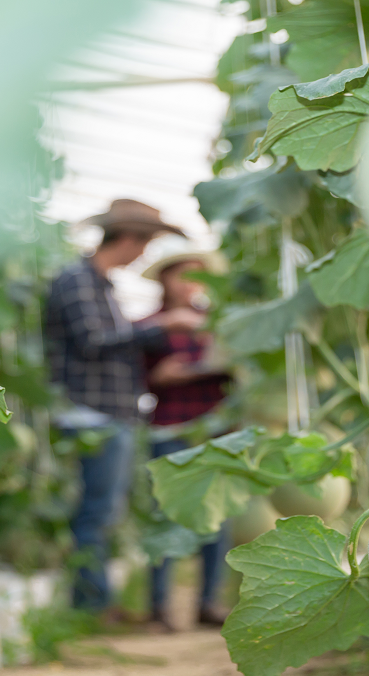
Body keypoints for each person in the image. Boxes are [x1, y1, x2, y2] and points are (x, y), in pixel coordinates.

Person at [43, 200, 205, 613]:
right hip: (90, 412)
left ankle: (95, 599)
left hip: (107, 413)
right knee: (96, 511)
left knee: (102, 509)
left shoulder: (101, 285)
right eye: (146, 244)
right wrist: (160, 326)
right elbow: (94, 342)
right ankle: (91, 604)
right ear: (129, 238)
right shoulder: (77, 280)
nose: (143, 255)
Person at [140, 235, 232, 630]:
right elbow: (140, 376)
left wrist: (187, 371)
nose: (190, 283)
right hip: (170, 429)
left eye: (197, 276)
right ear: (165, 279)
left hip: (217, 430)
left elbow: (237, 368)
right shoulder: (148, 327)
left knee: (217, 519)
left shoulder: (220, 324)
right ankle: (159, 607)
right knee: (168, 517)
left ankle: (207, 603)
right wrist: (160, 376)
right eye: (182, 275)